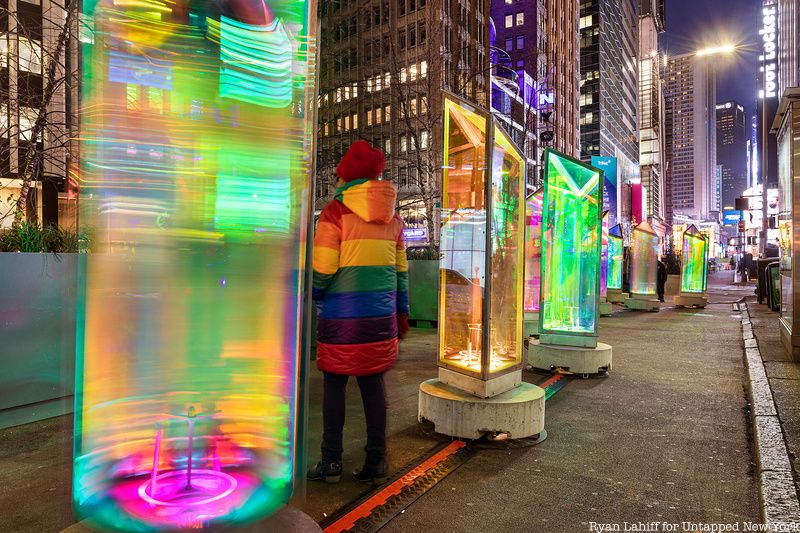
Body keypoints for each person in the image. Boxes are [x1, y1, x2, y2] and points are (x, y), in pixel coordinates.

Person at [308, 141, 409, 485]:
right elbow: (400, 273)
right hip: (380, 319)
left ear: (346, 176)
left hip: (342, 318)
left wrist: (316, 296)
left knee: (334, 386)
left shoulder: (334, 213)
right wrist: (401, 314)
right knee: (372, 386)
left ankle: (331, 461)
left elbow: (322, 270)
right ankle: (376, 461)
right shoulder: (394, 218)